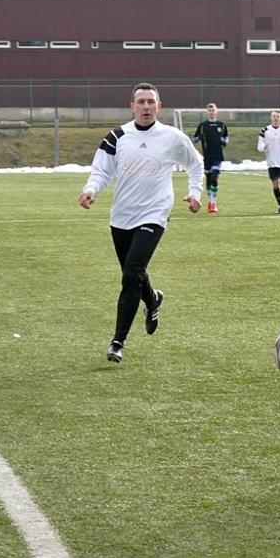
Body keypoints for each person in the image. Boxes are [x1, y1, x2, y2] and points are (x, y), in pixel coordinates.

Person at [78, 83, 204, 363]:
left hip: (155, 214)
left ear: (159, 106)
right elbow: (101, 170)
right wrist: (91, 190)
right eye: (141, 102)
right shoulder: (118, 136)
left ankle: (117, 341)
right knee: (134, 272)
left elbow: (196, 164)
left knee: (131, 273)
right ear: (131, 106)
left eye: (151, 102)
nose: (146, 107)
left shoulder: (172, 137)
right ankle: (153, 298)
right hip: (121, 217)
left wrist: (195, 193)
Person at [191, 103, 229, 213]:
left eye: (213, 110)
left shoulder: (221, 125)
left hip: (218, 156)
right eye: (209, 110)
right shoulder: (203, 125)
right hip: (207, 156)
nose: (211, 112)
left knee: (214, 177)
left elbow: (226, 137)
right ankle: (209, 201)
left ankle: (213, 203)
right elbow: (194, 140)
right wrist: (199, 137)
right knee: (208, 180)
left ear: (216, 112)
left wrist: (225, 141)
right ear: (207, 112)